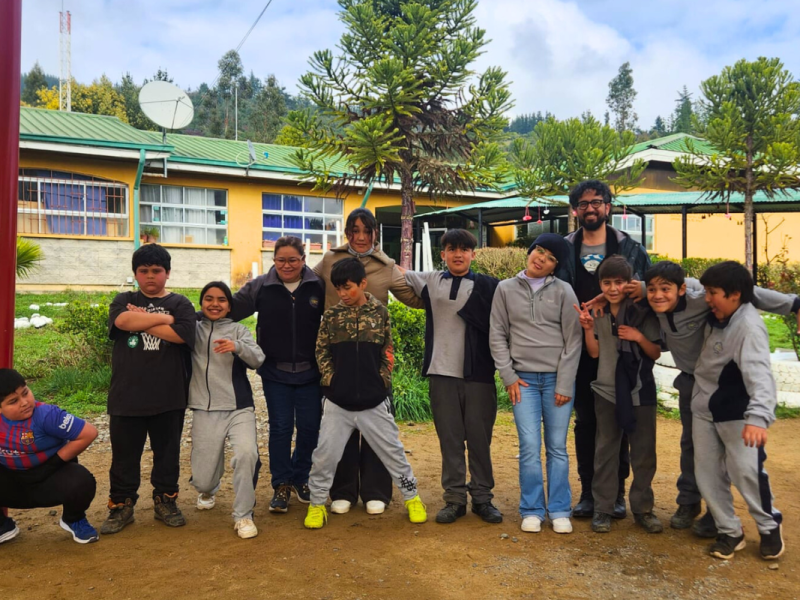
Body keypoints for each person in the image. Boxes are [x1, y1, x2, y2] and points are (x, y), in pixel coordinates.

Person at [641, 261, 800, 537]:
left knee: (735, 458)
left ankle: (731, 518)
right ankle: (693, 504)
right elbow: (647, 287)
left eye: (665, 289)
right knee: (695, 449)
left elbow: (748, 292)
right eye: (651, 289)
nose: (657, 294)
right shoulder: (657, 296)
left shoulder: (702, 298)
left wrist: (794, 303)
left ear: (681, 289)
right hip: (693, 383)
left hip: (724, 386)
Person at [313, 208, 422, 516]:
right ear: (346, 233)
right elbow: (305, 284)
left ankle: (376, 491)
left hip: (372, 366)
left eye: (366, 230)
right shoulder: (329, 261)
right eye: (354, 230)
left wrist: (446, 294)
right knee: (338, 438)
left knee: (380, 437)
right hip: (341, 361)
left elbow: (412, 297)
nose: (360, 237)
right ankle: (343, 490)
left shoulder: (386, 267)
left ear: (375, 233)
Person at [559, 180, 651, 519]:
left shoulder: (630, 248)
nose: (591, 208)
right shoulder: (565, 248)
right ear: (575, 210)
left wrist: (623, 291)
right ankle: (588, 491)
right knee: (586, 422)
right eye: (583, 204)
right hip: (580, 346)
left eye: (597, 202)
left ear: (608, 207)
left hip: (622, 349)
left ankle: (615, 494)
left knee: (620, 419)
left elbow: (651, 287)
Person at [404, 229, 501, 524]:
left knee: (480, 439)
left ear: (474, 254)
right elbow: (394, 272)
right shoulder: (431, 281)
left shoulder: (490, 286)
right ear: (443, 254)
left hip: (479, 374)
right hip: (441, 374)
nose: (458, 254)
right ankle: (455, 499)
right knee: (450, 440)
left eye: (464, 249)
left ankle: (482, 498)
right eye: (451, 249)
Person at [101, 244, 197, 534]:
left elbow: (181, 336)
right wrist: (164, 319)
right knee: (124, 457)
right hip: (126, 396)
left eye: (156, 271)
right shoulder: (124, 298)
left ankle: (165, 501)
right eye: (143, 271)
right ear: (135, 274)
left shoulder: (181, 304)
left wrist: (146, 321)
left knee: (167, 454)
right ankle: (121, 505)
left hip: (169, 396)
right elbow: (122, 320)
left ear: (167, 273)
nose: (150, 276)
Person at [490, 234, 582, 534]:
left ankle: (558, 509)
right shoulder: (504, 289)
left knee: (557, 447)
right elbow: (497, 335)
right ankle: (531, 509)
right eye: (539, 251)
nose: (541, 258)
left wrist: (565, 384)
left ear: (555, 267)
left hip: (557, 381)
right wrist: (509, 377)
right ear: (530, 252)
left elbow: (573, 340)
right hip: (523, 383)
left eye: (550, 257)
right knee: (529, 447)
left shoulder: (565, 291)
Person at [692, 261, 784, 560]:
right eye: (707, 291)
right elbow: (682, 284)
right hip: (704, 408)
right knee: (707, 473)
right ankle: (730, 531)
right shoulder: (717, 312)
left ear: (735, 295)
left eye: (713, 293)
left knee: (746, 472)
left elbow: (761, 376)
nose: (707, 298)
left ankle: (769, 526)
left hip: (738, 414)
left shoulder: (748, 327)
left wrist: (758, 418)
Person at [231, 236, 325, 513]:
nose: (287, 265)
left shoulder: (316, 285)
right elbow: (230, 308)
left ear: (303, 260)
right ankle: (281, 484)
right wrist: (192, 318)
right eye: (281, 260)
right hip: (275, 373)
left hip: (311, 373)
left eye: (293, 260)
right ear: (274, 260)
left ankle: (301, 477)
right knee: (281, 428)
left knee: (310, 428)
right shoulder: (262, 286)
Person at [576, 256, 663, 534]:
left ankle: (643, 509)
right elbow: (594, 352)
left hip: (640, 390)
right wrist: (589, 329)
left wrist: (638, 337)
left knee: (643, 453)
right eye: (607, 283)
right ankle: (603, 509)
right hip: (606, 391)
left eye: (619, 282)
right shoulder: (599, 313)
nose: (613, 288)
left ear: (629, 283)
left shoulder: (642, 312)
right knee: (605, 452)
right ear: (600, 284)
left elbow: (655, 352)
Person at [189, 282, 265, 539]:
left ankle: (243, 515)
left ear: (229, 305)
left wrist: (237, 347)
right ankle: (208, 489)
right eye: (208, 299)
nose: (214, 304)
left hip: (238, 408)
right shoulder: (193, 330)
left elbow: (258, 359)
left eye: (221, 299)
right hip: (203, 408)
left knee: (246, 454)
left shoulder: (239, 330)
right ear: (201, 304)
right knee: (203, 480)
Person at [0, 369, 99, 544]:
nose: (24, 403)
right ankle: (2, 526)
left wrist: (51, 465)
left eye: (25, 393)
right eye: (13, 401)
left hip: (49, 477)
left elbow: (89, 433)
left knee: (82, 481)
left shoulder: (47, 415)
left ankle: (73, 519)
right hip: (12, 481)